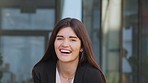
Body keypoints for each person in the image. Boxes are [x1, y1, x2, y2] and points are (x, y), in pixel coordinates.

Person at [32, 17, 106, 83]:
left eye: (72, 40)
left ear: (82, 47)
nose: (65, 44)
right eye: (60, 38)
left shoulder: (92, 76)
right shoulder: (41, 72)